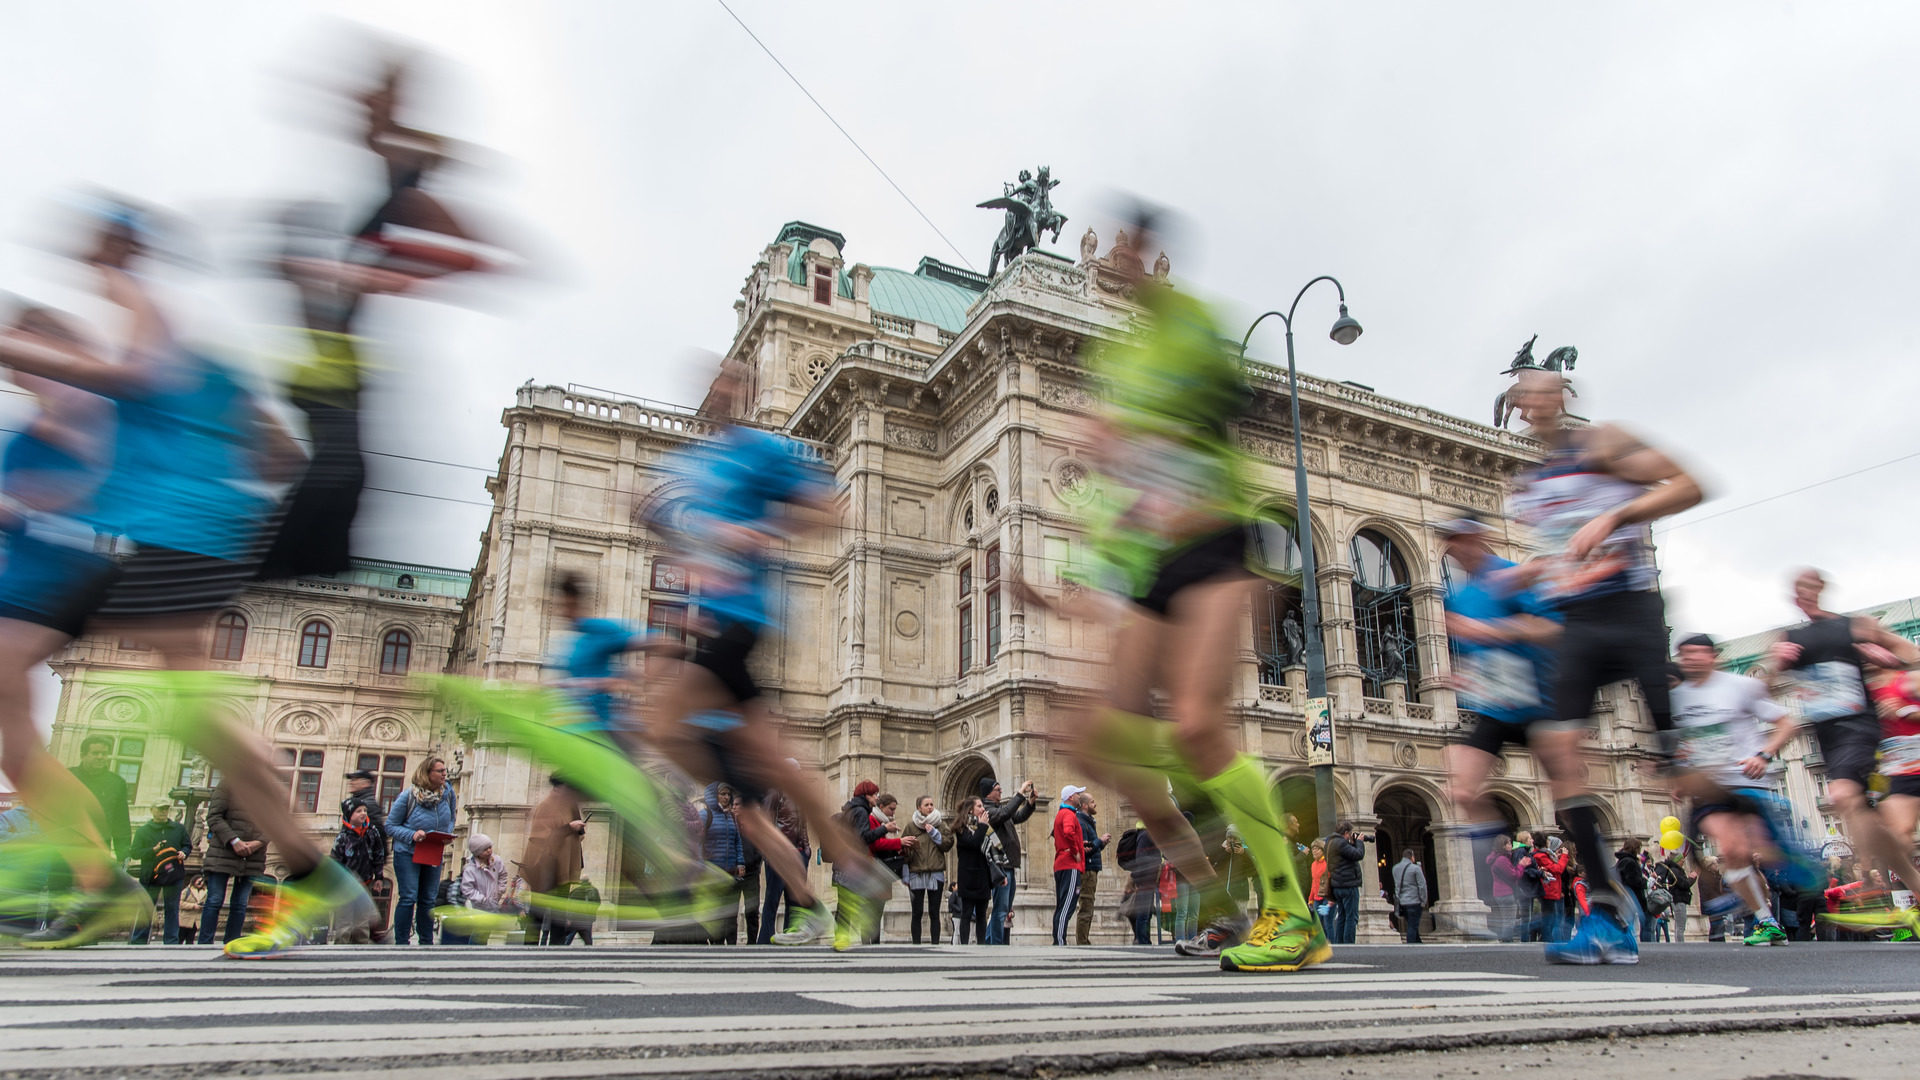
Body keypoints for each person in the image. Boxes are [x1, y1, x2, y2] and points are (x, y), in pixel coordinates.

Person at [1040, 207, 1320, 972]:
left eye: (1132, 243)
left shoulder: (1189, 321)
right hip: (1151, 566)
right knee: (1093, 739)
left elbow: (1226, 405)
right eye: (1114, 244)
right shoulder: (1120, 362)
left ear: (1149, 252)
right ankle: (1223, 834)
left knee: (1197, 726)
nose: (1119, 256)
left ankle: (1291, 915)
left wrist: (1129, 432)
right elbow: (1122, 492)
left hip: (1208, 541)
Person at [643, 359, 896, 950]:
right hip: (714, 629)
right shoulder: (695, 464)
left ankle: (684, 873)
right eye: (715, 383)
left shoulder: (761, 451)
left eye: (735, 381)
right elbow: (672, 523)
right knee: (767, 779)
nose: (721, 392)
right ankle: (845, 877)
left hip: (740, 620)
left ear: (747, 393)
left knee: (657, 727)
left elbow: (832, 508)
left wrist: (759, 531)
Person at [1504, 367, 1705, 965]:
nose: (1530, 402)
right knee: (1557, 754)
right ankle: (1608, 912)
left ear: (1563, 395)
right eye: (1520, 395)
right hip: (1580, 625)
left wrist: (1616, 516)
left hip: (1633, 610)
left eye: (1540, 389)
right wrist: (1530, 577)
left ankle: (1764, 822)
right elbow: (1559, 556)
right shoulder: (1530, 484)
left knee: (1678, 761)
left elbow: (1690, 485)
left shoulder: (1606, 444)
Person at [1754, 569, 1920, 936]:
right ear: (1794, 597)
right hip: (1827, 736)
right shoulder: (1789, 638)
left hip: (1861, 727)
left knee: (1843, 796)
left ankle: (1872, 891)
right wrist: (1773, 664)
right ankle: (1912, 889)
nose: (1806, 595)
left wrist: (1886, 656)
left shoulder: (1854, 627)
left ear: (1822, 590)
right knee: (1878, 823)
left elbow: (1911, 654)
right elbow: (1760, 690)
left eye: (1812, 587)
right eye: (1799, 589)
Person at [1435, 516, 1562, 941]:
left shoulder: (1512, 575)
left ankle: (1600, 886)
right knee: (1463, 792)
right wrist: (1463, 676)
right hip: (1493, 709)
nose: (1454, 550)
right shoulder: (1459, 597)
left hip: (1535, 700)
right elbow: (1473, 654)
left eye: (1459, 541)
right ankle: (1511, 890)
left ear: (1479, 539)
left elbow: (1551, 627)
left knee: (1568, 794)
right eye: (1449, 544)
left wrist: (1492, 631)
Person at [1670, 633, 1808, 946]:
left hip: (1747, 781)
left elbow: (1788, 723)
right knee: (1731, 849)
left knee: (1749, 854)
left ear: (1713, 656)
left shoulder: (1739, 686)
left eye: (1697, 653)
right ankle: (1766, 921)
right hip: (1710, 788)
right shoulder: (1677, 699)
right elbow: (1686, 744)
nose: (1690, 659)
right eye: (1684, 654)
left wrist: (1764, 754)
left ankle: (1771, 894)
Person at [385, 756, 456, 945]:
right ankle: (402, 942)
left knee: (428, 898)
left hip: (433, 849)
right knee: (409, 896)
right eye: (440, 771)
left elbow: (451, 818)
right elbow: (390, 826)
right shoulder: (408, 796)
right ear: (427, 774)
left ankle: (426, 940)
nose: (444, 774)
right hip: (408, 852)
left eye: (444, 770)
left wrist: (446, 834)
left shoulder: (448, 794)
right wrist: (412, 835)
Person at [198, 782, 265, 945]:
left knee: (240, 903)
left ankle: (232, 941)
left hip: (252, 854)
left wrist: (259, 842)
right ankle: (205, 943)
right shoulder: (227, 785)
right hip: (224, 850)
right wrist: (233, 840)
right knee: (215, 900)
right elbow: (214, 816)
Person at [979, 777, 1035, 945]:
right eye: (998, 789)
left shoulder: (999, 809)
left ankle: (990, 940)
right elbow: (1006, 813)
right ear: (988, 793)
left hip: (1009, 865)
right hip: (1000, 866)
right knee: (1000, 909)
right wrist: (1019, 793)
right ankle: (996, 944)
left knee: (1005, 908)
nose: (1001, 791)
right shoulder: (988, 811)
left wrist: (1030, 804)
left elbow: (1016, 816)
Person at [754, 785, 809, 945]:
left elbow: (802, 826)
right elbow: (766, 824)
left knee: (794, 899)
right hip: (779, 854)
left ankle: (789, 936)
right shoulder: (775, 793)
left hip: (797, 853)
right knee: (773, 898)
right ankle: (765, 938)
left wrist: (806, 849)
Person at [128, 801, 188, 945]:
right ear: (152, 810)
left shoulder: (178, 829)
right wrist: (153, 850)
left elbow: (187, 845)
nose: (163, 812)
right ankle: (139, 940)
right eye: (160, 809)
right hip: (150, 876)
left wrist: (184, 853)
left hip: (173, 875)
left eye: (166, 809)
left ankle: (171, 941)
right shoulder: (143, 830)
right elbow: (135, 853)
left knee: (172, 908)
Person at [328, 802, 386, 944]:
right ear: (349, 815)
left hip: (364, 883)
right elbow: (335, 861)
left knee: (362, 923)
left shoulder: (372, 832)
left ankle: (361, 949)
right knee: (344, 923)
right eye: (358, 811)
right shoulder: (343, 837)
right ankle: (340, 950)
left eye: (365, 810)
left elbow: (379, 854)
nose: (363, 813)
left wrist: (378, 877)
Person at [70, 735, 131, 864]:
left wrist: (123, 855)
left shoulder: (116, 783)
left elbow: (121, 821)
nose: (100, 757)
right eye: (95, 753)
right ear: (83, 755)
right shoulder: (67, 777)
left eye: (104, 754)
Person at [902, 795, 954, 945]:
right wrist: (905, 872)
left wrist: (934, 834)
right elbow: (903, 851)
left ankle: (935, 943)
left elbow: (948, 844)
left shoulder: (941, 825)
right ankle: (916, 944)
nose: (930, 807)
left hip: (935, 872)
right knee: (917, 912)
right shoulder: (911, 827)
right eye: (926, 805)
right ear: (919, 807)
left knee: (934, 912)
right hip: (916, 872)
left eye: (932, 804)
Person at [697, 783, 744, 945]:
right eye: (722, 794)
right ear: (714, 796)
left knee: (730, 912)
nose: (726, 797)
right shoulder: (705, 815)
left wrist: (740, 863)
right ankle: (715, 942)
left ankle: (731, 944)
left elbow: (737, 841)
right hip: (712, 871)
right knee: (714, 911)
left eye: (728, 794)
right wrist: (700, 864)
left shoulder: (731, 817)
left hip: (730, 871)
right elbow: (697, 841)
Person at [456, 834, 514, 944]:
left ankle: (478, 952)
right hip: (479, 905)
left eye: (490, 847)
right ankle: (473, 953)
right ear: (477, 852)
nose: (489, 850)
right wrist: (481, 899)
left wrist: (500, 890)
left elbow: (503, 875)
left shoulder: (496, 861)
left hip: (493, 901)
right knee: (479, 931)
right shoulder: (470, 869)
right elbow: (467, 889)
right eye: (485, 849)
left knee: (486, 931)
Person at [953, 796, 995, 944]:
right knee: (967, 912)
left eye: (982, 805)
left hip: (983, 875)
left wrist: (1000, 874)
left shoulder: (985, 826)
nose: (982, 809)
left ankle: (981, 943)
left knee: (982, 914)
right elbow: (973, 843)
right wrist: (983, 826)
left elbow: (994, 850)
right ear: (970, 809)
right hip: (968, 876)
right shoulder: (961, 828)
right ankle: (964, 944)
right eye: (979, 806)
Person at [1051, 786, 1089, 946]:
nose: (1080, 797)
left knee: (1062, 904)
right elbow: (1068, 832)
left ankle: (1059, 938)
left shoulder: (1062, 813)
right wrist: (1075, 851)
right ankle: (1060, 940)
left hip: (1062, 862)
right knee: (1068, 904)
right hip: (1069, 863)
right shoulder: (1068, 814)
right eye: (1078, 794)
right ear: (1071, 797)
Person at [1074, 791, 1111, 945]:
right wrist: (1100, 841)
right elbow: (1085, 848)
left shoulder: (1088, 821)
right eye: (1092, 802)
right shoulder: (1082, 822)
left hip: (1091, 867)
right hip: (1087, 869)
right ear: (1084, 805)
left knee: (1088, 904)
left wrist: (1100, 843)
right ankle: (1082, 941)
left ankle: (1084, 939)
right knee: (1086, 904)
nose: (1095, 804)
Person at [1116, 822, 1162, 945]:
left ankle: (1143, 938)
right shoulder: (1146, 835)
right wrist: (1156, 862)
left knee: (1146, 911)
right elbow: (1141, 857)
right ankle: (1142, 939)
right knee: (1143, 913)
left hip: (1147, 877)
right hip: (1145, 878)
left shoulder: (1146, 835)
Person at [1324, 822, 1366, 945]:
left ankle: (1340, 943)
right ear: (1346, 833)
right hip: (1348, 884)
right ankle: (1349, 944)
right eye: (1350, 834)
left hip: (1337, 885)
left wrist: (1352, 844)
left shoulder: (1329, 842)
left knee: (1342, 915)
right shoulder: (1341, 843)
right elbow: (1358, 854)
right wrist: (1360, 842)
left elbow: (1345, 857)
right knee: (1351, 917)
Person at [1533, 836, 1570, 942]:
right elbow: (1558, 869)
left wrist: (1557, 856)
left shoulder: (1546, 855)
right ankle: (1546, 938)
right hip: (1548, 889)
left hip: (1551, 889)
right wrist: (1564, 856)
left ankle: (1545, 937)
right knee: (1549, 917)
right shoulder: (1541, 856)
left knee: (1550, 916)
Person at [1614, 838, 1650, 941]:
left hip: (1626, 896)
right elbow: (1632, 880)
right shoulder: (1629, 862)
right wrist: (1644, 882)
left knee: (1629, 922)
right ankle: (1628, 943)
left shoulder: (1623, 860)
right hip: (1630, 896)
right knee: (1630, 922)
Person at [1486, 835, 1519, 941]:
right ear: (1503, 846)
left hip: (1498, 892)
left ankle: (1506, 939)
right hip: (1506, 892)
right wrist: (1521, 865)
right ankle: (1507, 940)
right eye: (1508, 843)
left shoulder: (1496, 858)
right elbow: (1513, 875)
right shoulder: (1502, 859)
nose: (1511, 845)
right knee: (1509, 920)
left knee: (1506, 918)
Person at [1391, 848, 1428, 944]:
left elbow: (1397, 885)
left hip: (1402, 902)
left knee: (1412, 924)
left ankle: (1418, 943)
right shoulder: (1415, 868)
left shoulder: (1395, 868)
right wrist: (1423, 900)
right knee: (1412, 926)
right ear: (1412, 857)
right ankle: (1410, 945)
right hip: (1414, 901)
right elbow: (1422, 885)